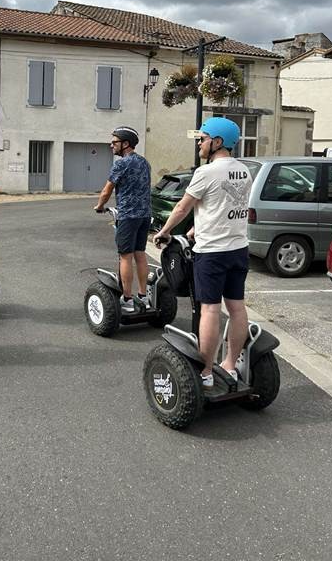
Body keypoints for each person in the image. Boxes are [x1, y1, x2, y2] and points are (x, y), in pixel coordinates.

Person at [153, 117, 252, 388]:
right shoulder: (244, 170)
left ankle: (206, 373)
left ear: (217, 142)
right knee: (236, 308)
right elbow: (225, 206)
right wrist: (197, 229)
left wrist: (164, 232)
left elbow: (182, 208)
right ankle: (230, 366)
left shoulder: (206, 173)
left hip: (212, 253)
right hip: (238, 249)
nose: (199, 142)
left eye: (203, 138)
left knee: (209, 309)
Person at [94, 126, 151, 314]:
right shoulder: (144, 162)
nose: (111, 145)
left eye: (114, 142)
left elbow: (107, 190)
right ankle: (144, 296)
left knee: (125, 256)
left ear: (126, 144)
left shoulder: (121, 164)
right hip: (144, 215)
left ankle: (127, 299)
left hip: (128, 215)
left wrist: (100, 206)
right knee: (140, 254)